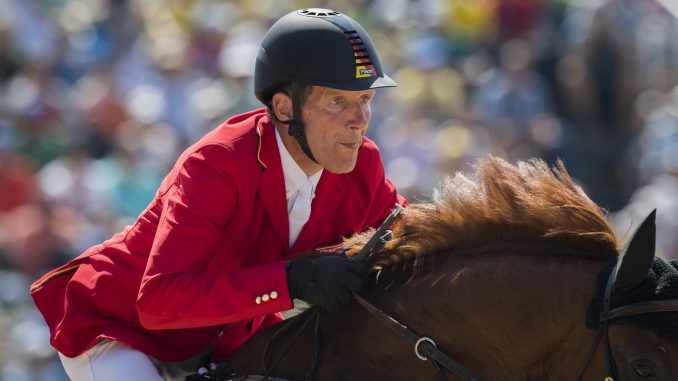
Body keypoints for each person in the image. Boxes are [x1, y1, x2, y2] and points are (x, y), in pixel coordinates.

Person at [30, 8, 407, 381]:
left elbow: (415, 235)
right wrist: (291, 282)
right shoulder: (218, 163)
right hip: (121, 329)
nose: (359, 119)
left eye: (365, 99)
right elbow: (159, 301)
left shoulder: (363, 166)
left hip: (222, 342)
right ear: (284, 106)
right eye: (337, 101)